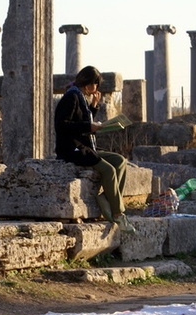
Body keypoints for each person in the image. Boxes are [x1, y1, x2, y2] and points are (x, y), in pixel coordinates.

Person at [54, 65, 136, 233]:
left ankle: (106, 199)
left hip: (86, 147)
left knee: (119, 161)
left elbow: (81, 121)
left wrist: (94, 107)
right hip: (73, 150)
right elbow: (62, 126)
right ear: (87, 82)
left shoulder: (82, 97)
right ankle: (118, 214)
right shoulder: (71, 97)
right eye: (95, 84)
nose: (96, 88)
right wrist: (89, 126)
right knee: (108, 170)